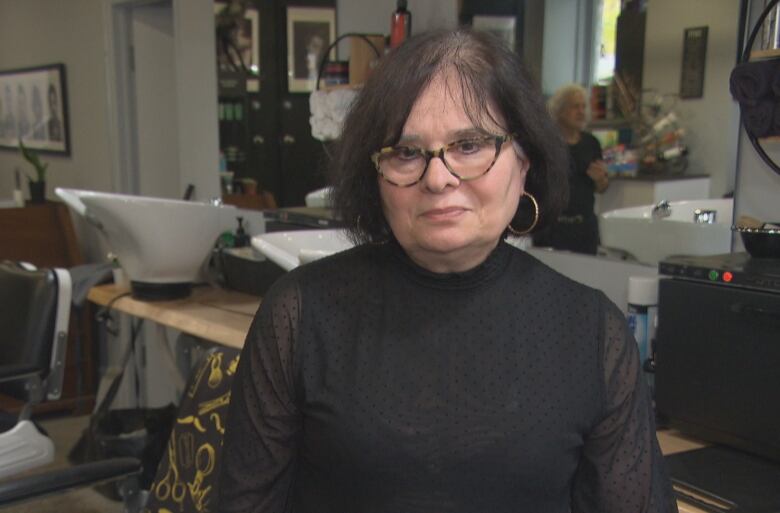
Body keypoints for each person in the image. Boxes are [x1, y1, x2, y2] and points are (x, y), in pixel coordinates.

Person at [219, 29, 676, 513]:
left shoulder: (592, 332)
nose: (438, 178)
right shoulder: (300, 315)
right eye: (406, 152)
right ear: (376, 176)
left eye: (470, 145)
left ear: (523, 161)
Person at [533, 84, 609, 255]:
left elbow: (602, 188)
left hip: (584, 229)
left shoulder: (591, 143)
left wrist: (600, 180)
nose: (581, 111)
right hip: (552, 229)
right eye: (575, 106)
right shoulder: (546, 144)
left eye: (583, 106)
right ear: (560, 110)